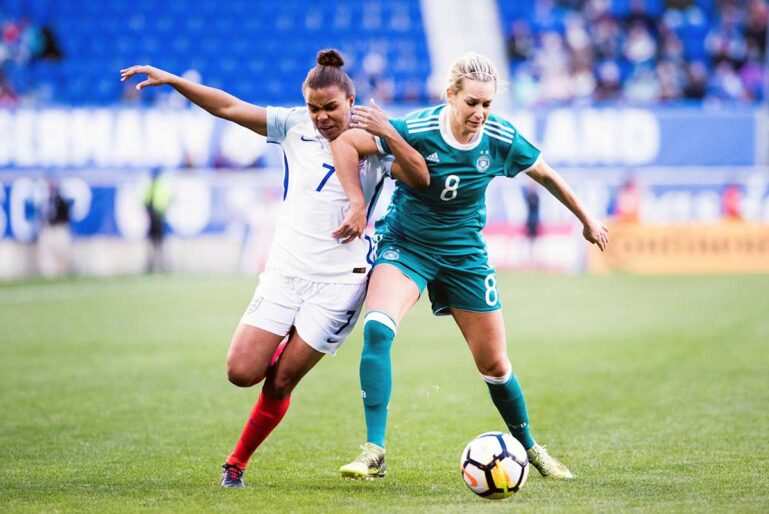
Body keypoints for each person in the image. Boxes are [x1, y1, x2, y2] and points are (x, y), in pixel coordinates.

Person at [119, 49, 429, 488]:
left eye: (331, 108)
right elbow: (228, 106)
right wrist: (173, 79)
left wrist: (392, 138)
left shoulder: (373, 137)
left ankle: (236, 463)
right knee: (241, 371)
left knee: (281, 382)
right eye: (314, 108)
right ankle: (286, 339)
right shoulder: (291, 126)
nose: (321, 117)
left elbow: (419, 176)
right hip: (284, 273)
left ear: (352, 100)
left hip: (341, 283)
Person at [330, 52, 608, 480]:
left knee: (495, 365)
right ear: (450, 96)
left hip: (464, 255)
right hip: (406, 244)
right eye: (472, 103)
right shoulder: (417, 128)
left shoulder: (500, 137)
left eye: (487, 104)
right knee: (378, 327)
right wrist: (356, 201)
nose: (480, 113)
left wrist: (587, 219)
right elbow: (347, 141)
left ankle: (531, 448)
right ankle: (374, 450)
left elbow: (548, 175)